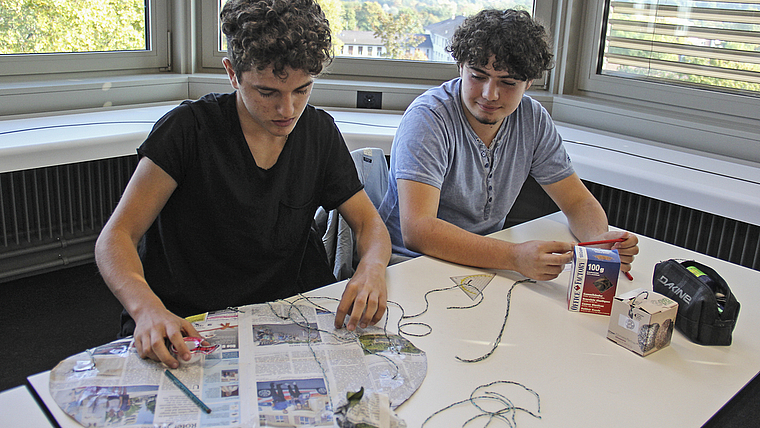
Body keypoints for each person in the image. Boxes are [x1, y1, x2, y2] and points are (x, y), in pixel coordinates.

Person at [95, 0, 391, 369]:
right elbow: (116, 236)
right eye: (267, 92)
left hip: (286, 311)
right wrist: (146, 309)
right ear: (232, 73)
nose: (288, 110)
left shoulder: (318, 132)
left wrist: (373, 269)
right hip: (191, 318)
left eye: (302, 89)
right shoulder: (187, 130)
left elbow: (368, 224)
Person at [378, 9, 638, 280]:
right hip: (410, 266)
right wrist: (513, 256)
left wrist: (599, 241)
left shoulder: (532, 118)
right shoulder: (429, 118)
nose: (490, 94)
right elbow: (418, 230)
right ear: (460, 67)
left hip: (483, 265)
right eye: (478, 76)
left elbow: (577, 202)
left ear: (529, 83)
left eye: (508, 82)